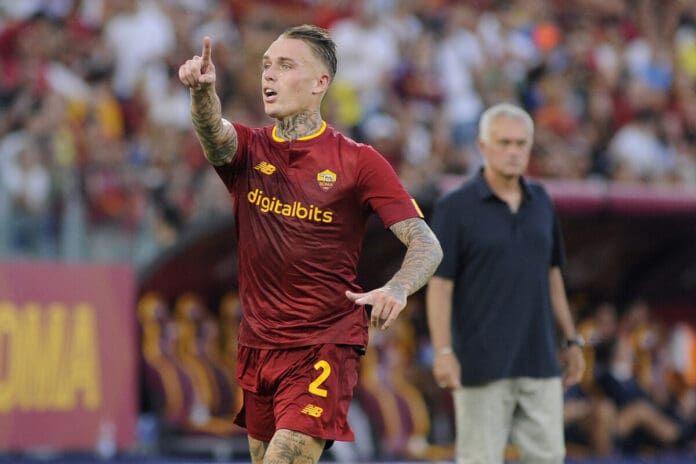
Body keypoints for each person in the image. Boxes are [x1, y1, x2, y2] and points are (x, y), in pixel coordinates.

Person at [178, 24, 443, 464]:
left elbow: (425, 241)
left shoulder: (358, 162)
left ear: (321, 82)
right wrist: (202, 93)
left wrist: (398, 287)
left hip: (323, 344)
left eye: (285, 66)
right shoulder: (250, 151)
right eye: (266, 66)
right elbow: (213, 134)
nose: (269, 75)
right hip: (258, 345)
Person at [425, 103, 585, 464]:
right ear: (482, 146)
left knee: (549, 458)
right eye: (504, 142)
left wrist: (571, 340)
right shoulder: (455, 207)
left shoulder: (541, 201)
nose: (513, 151)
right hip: (480, 364)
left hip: (541, 361)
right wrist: (443, 352)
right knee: (479, 459)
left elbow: (553, 274)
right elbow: (440, 285)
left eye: (521, 143)